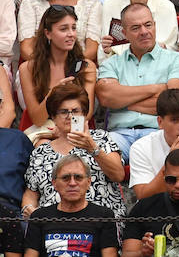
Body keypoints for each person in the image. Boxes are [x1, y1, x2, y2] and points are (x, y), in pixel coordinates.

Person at [94, 2, 179, 154]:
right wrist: (157, 89)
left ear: (155, 25)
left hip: (159, 133)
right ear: (124, 33)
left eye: (148, 25)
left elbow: (174, 105)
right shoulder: (111, 64)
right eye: (135, 28)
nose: (144, 31)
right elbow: (107, 98)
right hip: (118, 135)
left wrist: (125, 103)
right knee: (96, 155)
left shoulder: (177, 60)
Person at [21, 83, 120, 220]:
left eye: (75, 111)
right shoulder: (41, 153)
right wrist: (29, 208)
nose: (69, 116)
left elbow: (118, 175)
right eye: (63, 112)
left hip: (99, 223)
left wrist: (93, 148)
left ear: (85, 114)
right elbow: (31, 193)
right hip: (53, 226)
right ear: (53, 117)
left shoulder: (101, 138)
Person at [21, 157, 118, 257]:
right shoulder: (39, 216)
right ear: (54, 183)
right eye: (65, 178)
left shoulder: (104, 215)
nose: (72, 183)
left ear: (89, 182)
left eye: (78, 177)